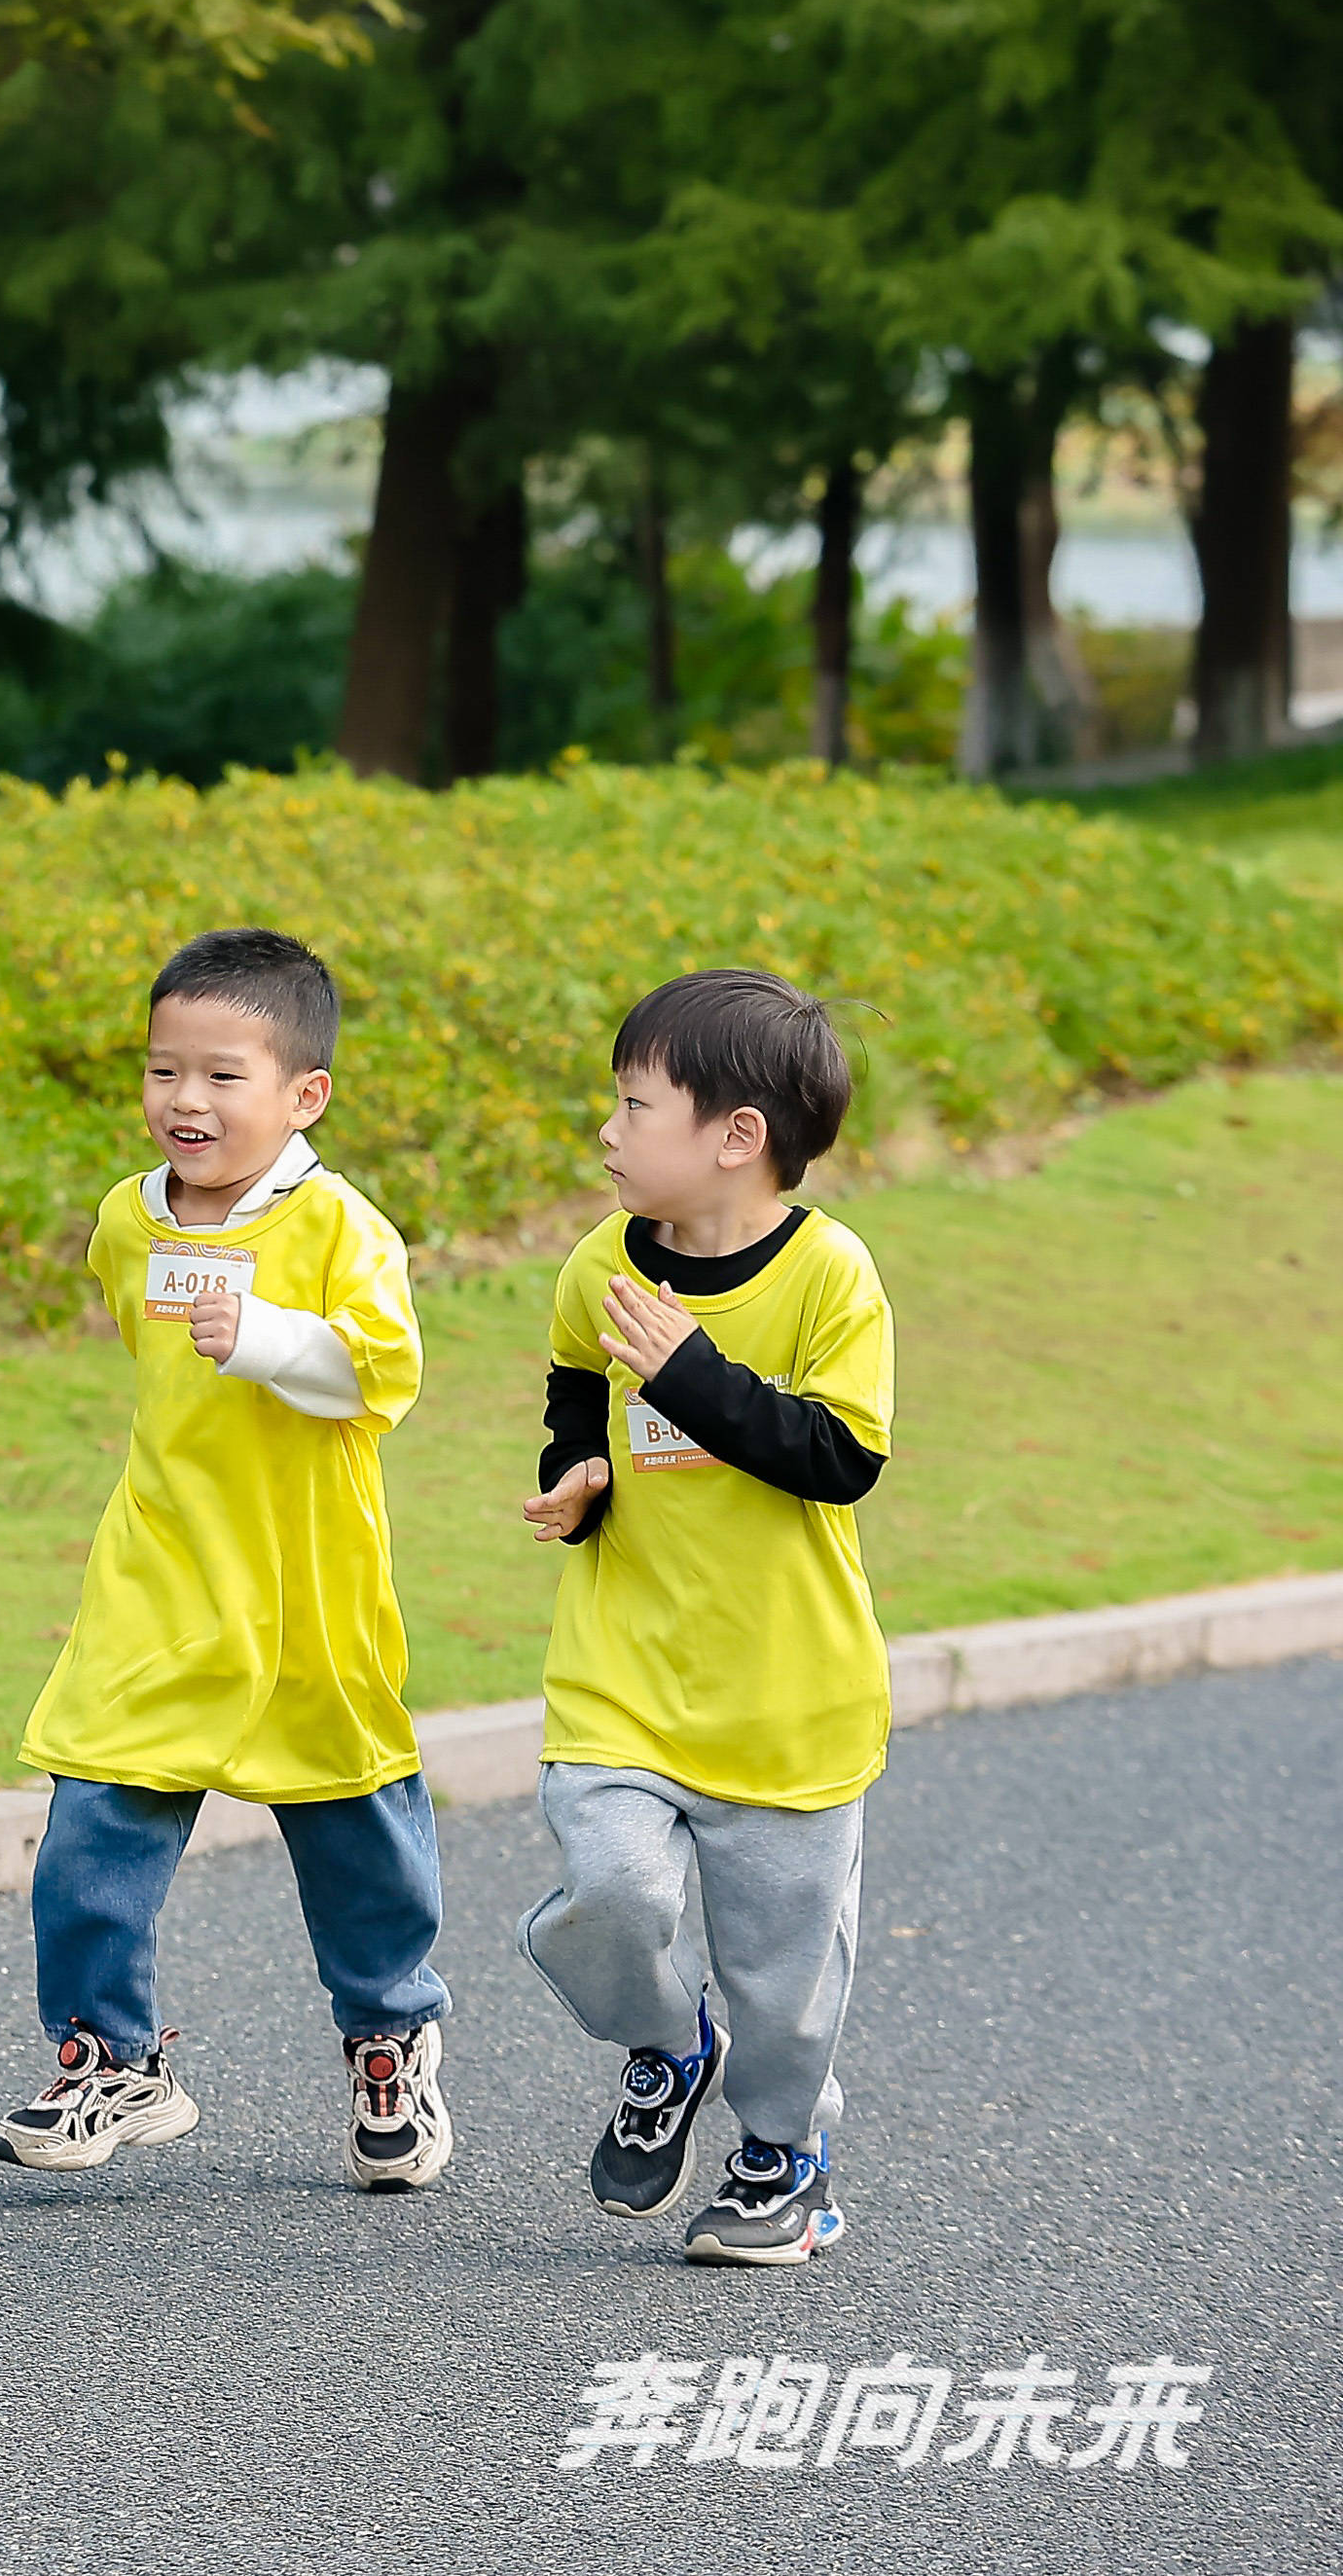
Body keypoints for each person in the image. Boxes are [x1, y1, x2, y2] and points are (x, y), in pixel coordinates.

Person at [0, 928, 453, 2192]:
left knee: (359, 1838)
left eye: (221, 1076)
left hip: (310, 1595)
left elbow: (381, 1369)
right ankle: (109, 2058)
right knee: (92, 1823)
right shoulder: (127, 1220)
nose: (184, 1101)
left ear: (306, 1093)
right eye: (163, 1071)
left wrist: (260, 1334)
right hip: (162, 1580)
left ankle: (389, 2034)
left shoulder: (342, 1225)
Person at [516, 969, 891, 2266]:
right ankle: (672, 2043)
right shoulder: (596, 1264)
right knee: (607, 1893)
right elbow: (580, 1390)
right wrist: (578, 1477)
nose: (607, 1131)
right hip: (625, 1666)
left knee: (788, 1983)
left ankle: (783, 2156)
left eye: (633, 1104)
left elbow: (837, 1455)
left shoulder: (833, 1275)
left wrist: (691, 1369)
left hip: (791, 1695)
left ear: (736, 1135)